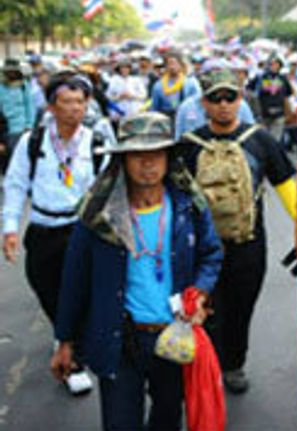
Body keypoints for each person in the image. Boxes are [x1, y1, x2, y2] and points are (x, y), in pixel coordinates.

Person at [51, 112, 223, 430]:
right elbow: (74, 279)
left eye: (156, 154)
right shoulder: (99, 215)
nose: (147, 163)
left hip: (174, 337)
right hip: (120, 340)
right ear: (123, 160)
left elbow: (211, 254)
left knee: (167, 419)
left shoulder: (188, 205)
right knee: (120, 423)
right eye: (137, 155)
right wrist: (64, 340)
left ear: (169, 157)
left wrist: (199, 292)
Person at [176, 68, 297, 394]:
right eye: (216, 98)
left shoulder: (261, 140)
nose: (224, 104)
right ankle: (210, 366)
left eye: (230, 96)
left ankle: (234, 364)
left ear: (240, 99)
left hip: (249, 245)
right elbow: (173, 199)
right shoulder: (188, 146)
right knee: (209, 310)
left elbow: (287, 187)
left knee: (242, 309)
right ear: (204, 103)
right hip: (203, 250)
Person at [3, 73, 111, 396]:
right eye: (67, 102)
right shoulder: (32, 142)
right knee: (45, 286)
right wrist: (9, 228)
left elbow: (108, 188)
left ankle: (74, 358)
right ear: (51, 106)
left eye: (80, 102)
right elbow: (16, 184)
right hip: (42, 229)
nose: (74, 109)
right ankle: (63, 330)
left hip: (80, 229)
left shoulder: (95, 141)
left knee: (79, 291)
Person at [175, 59, 255, 141]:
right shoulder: (187, 107)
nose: (223, 104)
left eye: (221, 74)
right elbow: (179, 141)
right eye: (210, 75)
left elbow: (252, 136)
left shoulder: (241, 105)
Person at [0, 58, 36, 172]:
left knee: (20, 160)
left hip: (21, 129)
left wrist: (29, 125)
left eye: (13, 71)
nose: (11, 73)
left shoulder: (24, 85)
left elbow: (30, 106)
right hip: (4, 129)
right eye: (8, 71)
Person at [248, 55, 293, 142]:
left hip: (279, 114)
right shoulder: (260, 77)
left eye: (277, 64)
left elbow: (288, 95)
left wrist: (289, 111)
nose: (274, 66)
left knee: (275, 140)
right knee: (264, 140)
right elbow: (249, 89)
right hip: (263, 115)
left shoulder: (283, 79)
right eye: (272, 64)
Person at [150, 51, 200, 119]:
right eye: (169, 64)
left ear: (181, 64)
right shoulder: (158, 86)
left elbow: (198, 103)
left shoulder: (191, 82)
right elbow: (155, 108)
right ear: (165, 66)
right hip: (167, 119)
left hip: (188, 117)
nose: (172, 67)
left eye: (174, 63)